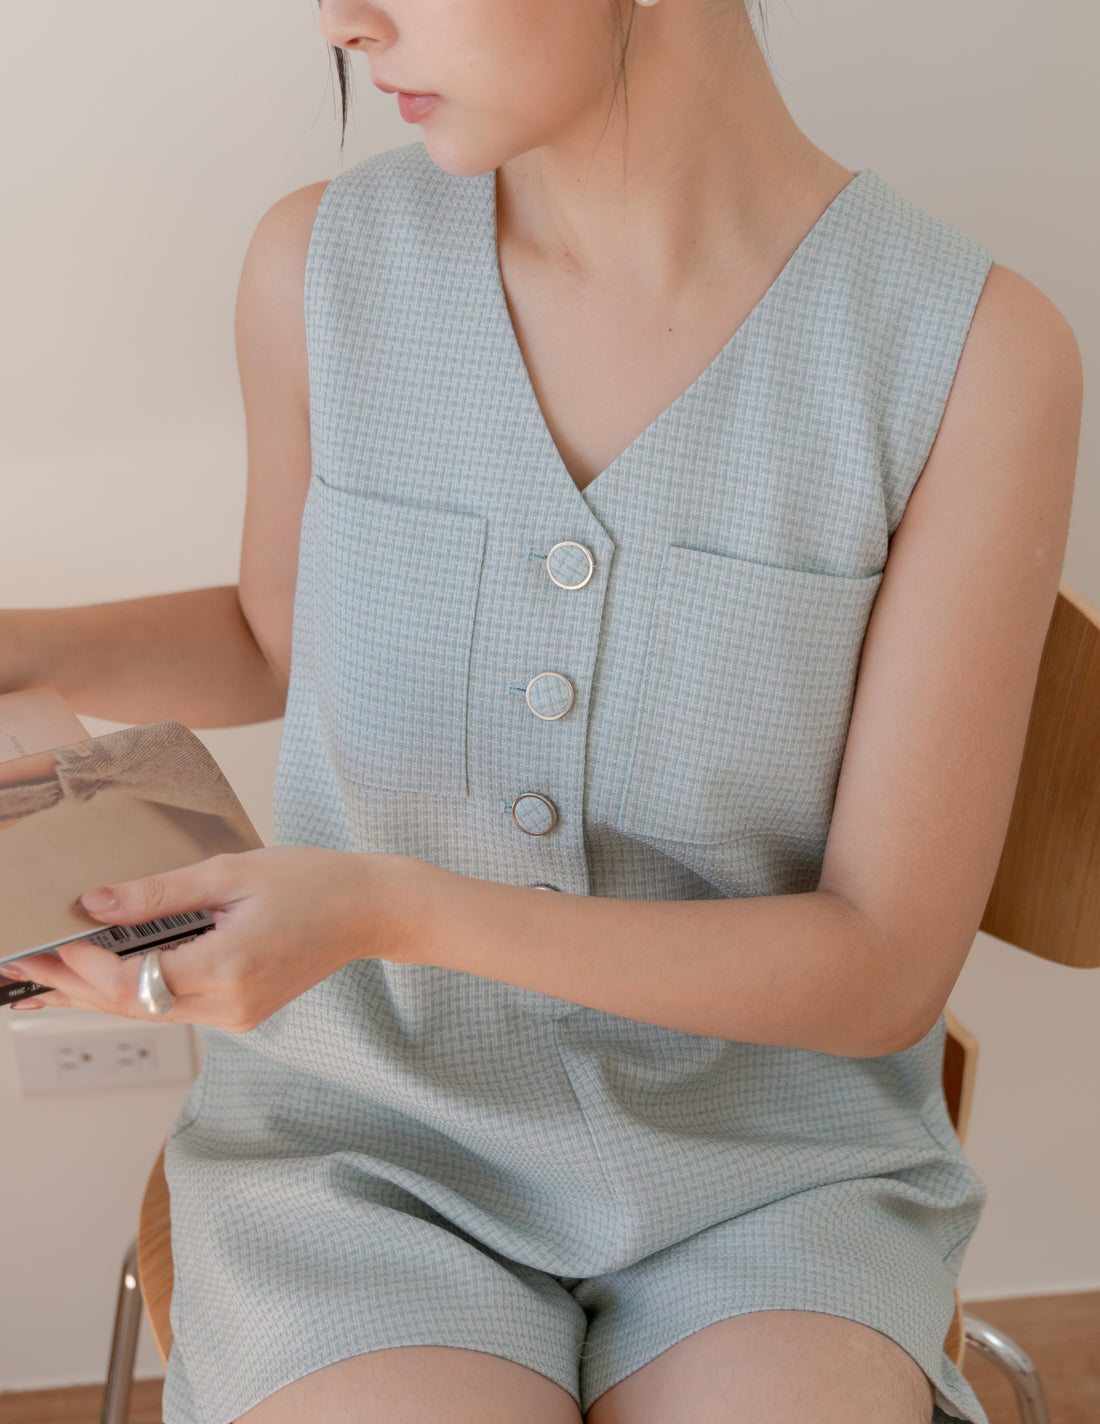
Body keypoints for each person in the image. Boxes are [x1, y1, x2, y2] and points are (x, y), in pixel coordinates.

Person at [1, 0, 1082, 1417]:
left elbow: (881, 966)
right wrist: (19, 650)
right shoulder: (321, 266)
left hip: (772, 1170)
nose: (344, 20)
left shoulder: (973, 354)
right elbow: (278, 630)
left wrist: (385, 910)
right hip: (364, 1145)